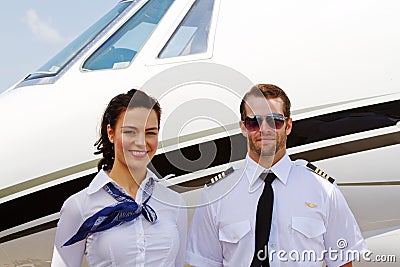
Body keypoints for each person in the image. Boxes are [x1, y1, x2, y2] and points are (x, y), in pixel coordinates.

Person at [186, 84, 367, 267]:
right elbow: (204, 263)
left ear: (288, 126)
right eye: (254, 122)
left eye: (275, 120)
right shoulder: (216, 195)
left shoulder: (323, 190)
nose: (264, 129)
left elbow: (342, 262)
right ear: (243, 127)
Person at [51, 89, 187, 266]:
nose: (141, 141)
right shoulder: (78, 206)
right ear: (111, 133)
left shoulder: (175, 203)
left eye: (150, 133)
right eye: (130, 132)